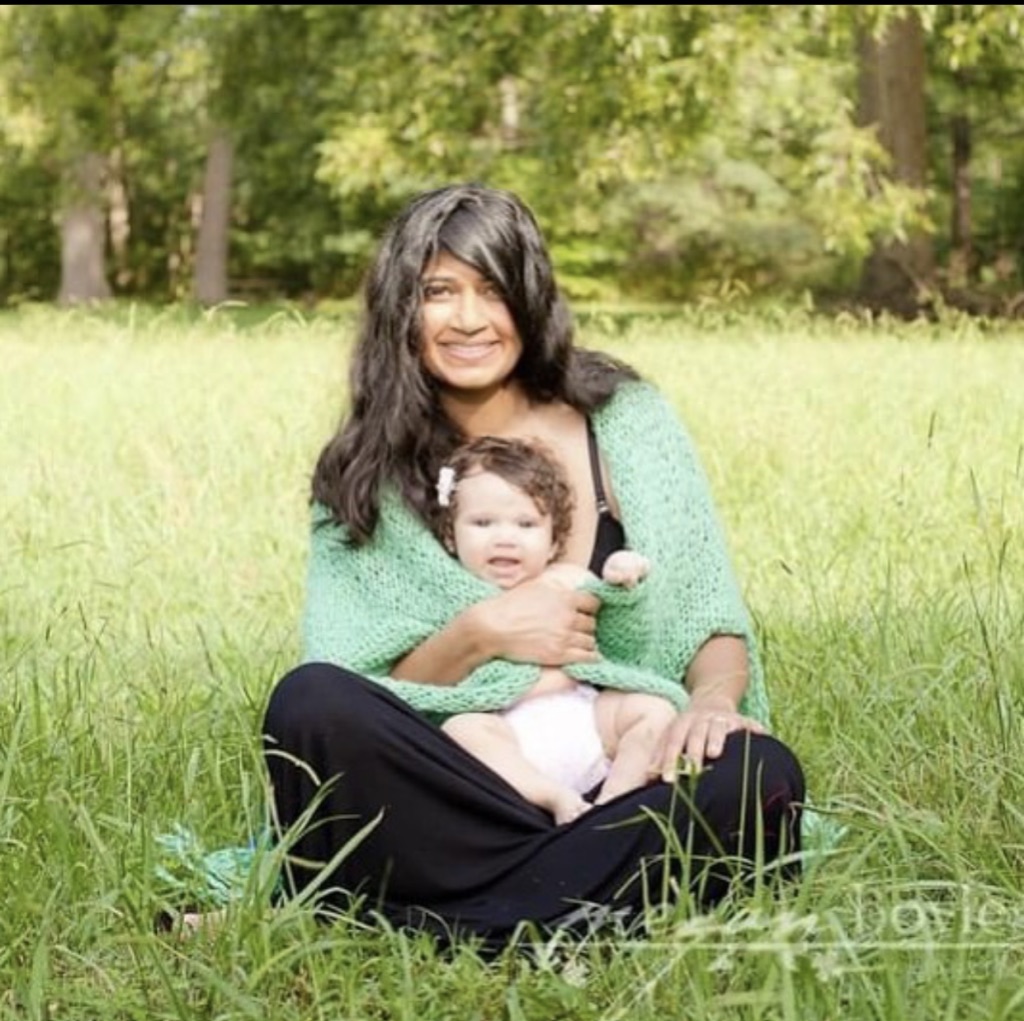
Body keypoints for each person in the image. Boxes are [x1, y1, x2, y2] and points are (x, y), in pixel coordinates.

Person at [262, 182, 805, 952]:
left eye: (491, 288)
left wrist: (712, 703)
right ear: (400, 310)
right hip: (465, 783)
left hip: (622, 778)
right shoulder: (364, 469)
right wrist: (482, 632)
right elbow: (357, 677)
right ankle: (567, 902)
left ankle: (421, 921)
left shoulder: (627, 422)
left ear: (530, 296)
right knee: (308, 703)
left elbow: (709, 617)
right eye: (438, 292)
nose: (469, 319)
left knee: (757, 774)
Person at [433, 434, 677, 825]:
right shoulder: (453, 595)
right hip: (505, 735)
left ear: (552, 541)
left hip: (585, 720)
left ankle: (614, 802)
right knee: (462, 729)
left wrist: (620, 575)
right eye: (482, 522)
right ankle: (557, 799)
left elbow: (613, 615)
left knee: (653, 710)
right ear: (450, 535)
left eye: (526, 524)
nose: (505, 537)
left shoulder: (562, 579)